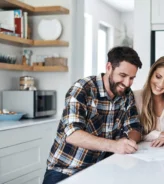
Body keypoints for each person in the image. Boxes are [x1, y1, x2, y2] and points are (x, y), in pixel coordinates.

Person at [43, 46, 143, 184]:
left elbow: (135, 128)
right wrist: (114, 146)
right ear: (109, 67)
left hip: (101, 169)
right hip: (66, 171)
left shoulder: (127, 94)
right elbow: (72, 134)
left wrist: (129, 141)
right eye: (123, 76)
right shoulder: (82, 89)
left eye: (132, 78)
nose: (127, 83)